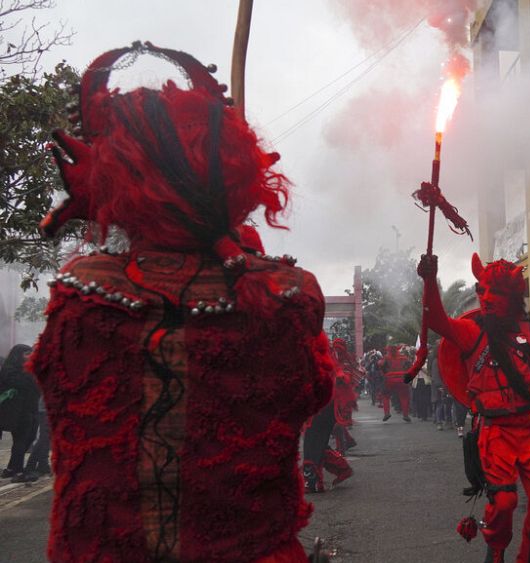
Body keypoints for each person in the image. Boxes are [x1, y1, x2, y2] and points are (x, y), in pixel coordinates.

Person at [28, 43, 333, 562]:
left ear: (112, 178)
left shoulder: (80, 294)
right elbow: (313, 392)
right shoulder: (289, 296)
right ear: (240, 172)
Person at [418, 253, 530, 563]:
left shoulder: (529, 332)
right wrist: (430, 280)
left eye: (494, 292)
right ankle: (495, 550)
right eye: (481, 290)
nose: (485, 298)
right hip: (495, 433)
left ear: (511, 297)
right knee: (504, 502)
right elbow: (435, 320)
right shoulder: (472, 332)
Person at [0, 344, 39, 480]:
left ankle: (11, 468)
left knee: (29, 438)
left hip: (31, 409)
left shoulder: (27, 370)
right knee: (21, 440)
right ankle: (18, 471)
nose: (30, 356)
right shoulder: (10, 370)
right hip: (18, 412)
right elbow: (23, 384)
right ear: (18, 355)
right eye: (26, 354)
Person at [378, 345, 412, 422]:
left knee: (385, 396)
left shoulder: (386, 357)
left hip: (389, 379)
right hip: (402, 379)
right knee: (404, 396)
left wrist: (385, 374)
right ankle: (405, 415)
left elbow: (381, 365)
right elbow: (410, 366)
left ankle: (387, 413)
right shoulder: (403, 357)